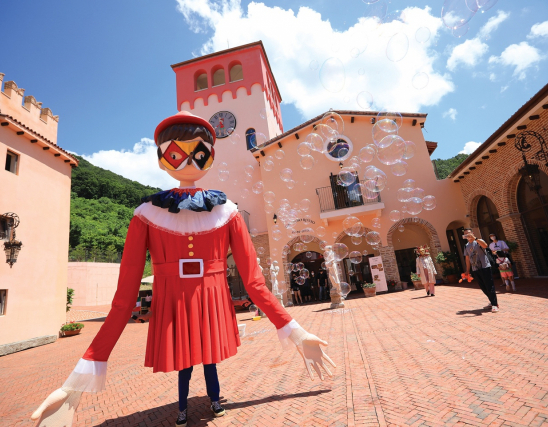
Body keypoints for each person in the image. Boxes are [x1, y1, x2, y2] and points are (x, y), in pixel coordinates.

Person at [31, 111, 335, 427]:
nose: (188, 161)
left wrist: (296, 332)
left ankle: (210, 402)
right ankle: (185, 407)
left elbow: (254, 282)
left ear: (211, 157)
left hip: (211, 302)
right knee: (187, 364)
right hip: (174, 305)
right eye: (176, 153)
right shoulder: (145, 214)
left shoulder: (226, 211)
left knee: (207, 362)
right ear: (162, 159)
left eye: (198, 153)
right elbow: (123, 301)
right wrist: (75, 382)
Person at [463, 228, 499, 312]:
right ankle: (491, 301)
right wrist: (467, 270)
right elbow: (467, 259)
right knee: (483, 287)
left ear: (472, 233)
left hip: (485, 267)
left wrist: (475, 238)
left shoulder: (478, 241)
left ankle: (494, 304)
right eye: (465, 234)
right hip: (475, 268)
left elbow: (485, 246)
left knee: (489, 286)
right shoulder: (466, 246)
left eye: (468, 233)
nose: (467, 235)